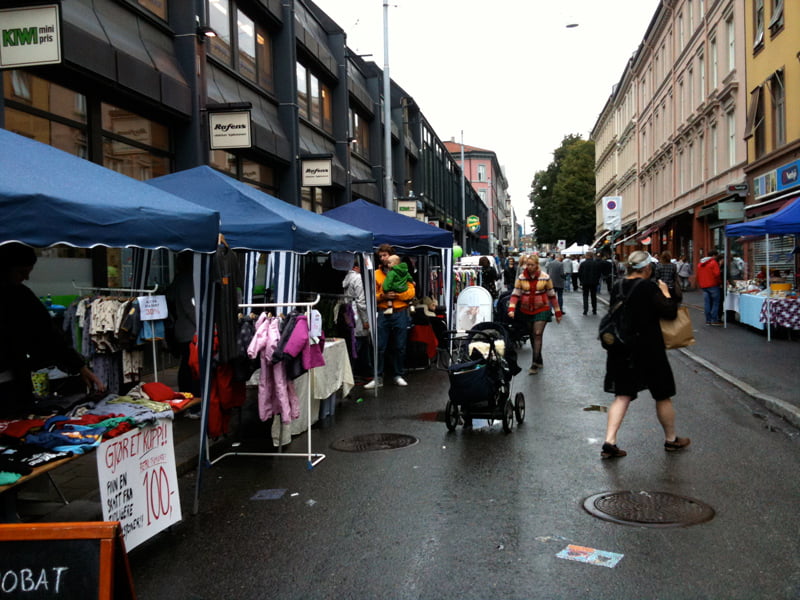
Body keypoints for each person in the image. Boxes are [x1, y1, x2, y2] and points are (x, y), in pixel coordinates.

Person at [601, 250, 690, 459]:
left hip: (621, 348)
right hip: (649, 348)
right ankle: (671, 439)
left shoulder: (618, 286)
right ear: (647, 268)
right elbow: (669, 312)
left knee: (622, 395)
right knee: (662, 394)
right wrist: (665, 293)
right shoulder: (649, 287)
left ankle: (609, 441)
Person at [0, 243, 105, 418]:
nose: (26, 277)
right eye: (21, 272)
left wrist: (79, 366)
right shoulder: (17, 296)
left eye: (29, 271)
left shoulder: (21, 295)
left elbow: (48, 335)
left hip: (15, 384)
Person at [365, 244, 416, 389]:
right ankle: (378, 376)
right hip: (383, 311)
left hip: (400, 311)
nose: (382, 258)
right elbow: (371, 295)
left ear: (392, 256)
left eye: (385, 255)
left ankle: (398, 374)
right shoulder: (375, 274)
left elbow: (412, 292)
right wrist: (383, 295)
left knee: (400, 346)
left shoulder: (402, 271)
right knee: (380, 346)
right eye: (380, 256)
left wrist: (397, 295)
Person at [507, 254, 562, 374]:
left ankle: (535, 363)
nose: (529, 267)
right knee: (532, 335)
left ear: (537, 265)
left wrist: (558, 312)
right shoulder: (521, 278)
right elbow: (515, 294)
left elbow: (552, 295)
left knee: (537, 334)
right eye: (528, 265)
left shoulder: (545, 277)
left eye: (532, 265)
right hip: (526, 310)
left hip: (542, 308)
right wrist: (511, 309)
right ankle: (539, 357)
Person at [165, 251, 200, 398]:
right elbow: (190, 306)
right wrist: (202, 325)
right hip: (190, 331)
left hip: (182, 330)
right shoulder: (188, 279)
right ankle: (189, 398)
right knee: (190, 366)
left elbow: (171, 300)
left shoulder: (178, 279)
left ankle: (186, 396)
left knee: (186, 365)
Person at [341, 260, 370, 378]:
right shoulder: (358, 278)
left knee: (354, 343)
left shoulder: (347, 277)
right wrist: (366, 320)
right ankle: (357, 373)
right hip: (357, 314)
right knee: (359, 344)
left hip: (350, 311)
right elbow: (361, 302)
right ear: (358, 267)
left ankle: (358, 372)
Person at [697, 250, 723, 326]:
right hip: (713, 285)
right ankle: (714, 320)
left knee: (707, 303)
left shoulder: (700, 264)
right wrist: (719, 283)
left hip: (704, 286)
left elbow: (698, 275)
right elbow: (717, 274)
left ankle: (708, 320)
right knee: (715, 303)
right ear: (714, 256)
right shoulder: (713, 263)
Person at [578, 251, 603, 315]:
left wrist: (581, 281)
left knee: (585, 296)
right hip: (594, 282)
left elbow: (580, 273)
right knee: (593, 296)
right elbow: (599, 273)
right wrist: (597, 280)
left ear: (587, 256)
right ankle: (594, 310)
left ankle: (585, 310)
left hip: (585, 282)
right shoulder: (596, 263)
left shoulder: (583, 263)